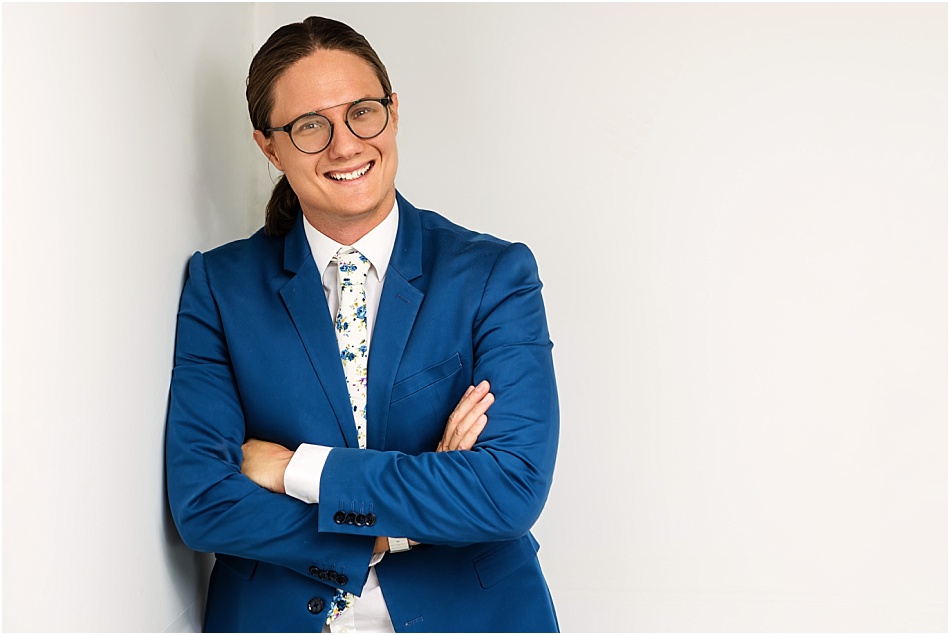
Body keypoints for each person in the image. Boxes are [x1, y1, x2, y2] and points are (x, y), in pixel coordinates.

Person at [165, 15, 559, 633]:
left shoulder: (492, 275)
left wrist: (294, 469)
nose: (345, 145)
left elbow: (507, 489)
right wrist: (390, 529)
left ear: (393, 112)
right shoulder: (221, 287)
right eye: (310, 126)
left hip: (472, 613)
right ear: (270, 146)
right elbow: (204, 501)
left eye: (362, 112)